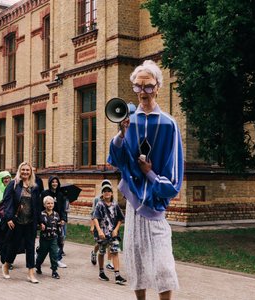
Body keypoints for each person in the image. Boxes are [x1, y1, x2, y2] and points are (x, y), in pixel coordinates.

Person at [108, 60, 183, 299]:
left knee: (163, 265)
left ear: (158, 87)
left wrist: (149, 173)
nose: (143, 92)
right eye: (138, 87)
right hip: (132, 204)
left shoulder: (169, 124)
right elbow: (116, 159)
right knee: (136, 261)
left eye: (148, 86)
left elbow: (173, 182)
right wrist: (121, 134)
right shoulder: (129, 122)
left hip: (155, 206)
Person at [0, 162, 41, 283]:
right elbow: (7, 202)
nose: (25, 172)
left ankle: (31, 273)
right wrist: (9, 218)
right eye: (23, 170)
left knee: (30, 247)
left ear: (31, 172)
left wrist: (40, 221)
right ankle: (6, 265)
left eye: (27, 170)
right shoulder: (14, 184)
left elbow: (37, 206)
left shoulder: (34, 186)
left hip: (30, 222)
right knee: (14, 246)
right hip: (16, 221)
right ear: (19, 171)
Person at [92, 184, 126, 285]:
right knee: (101, 252)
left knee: (115, 252)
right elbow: (95, 218)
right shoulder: (100, 205)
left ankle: (117, 275)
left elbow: (121, 218)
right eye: (104, 191)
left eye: (109, 191)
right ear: (102, 194)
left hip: (113, 234)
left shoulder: (115, 205)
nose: (107, 192)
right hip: (103, 233)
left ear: (111, 193)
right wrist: (99, 231)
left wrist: (116, 229)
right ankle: (101, 272)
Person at [40, 175, 67, 268]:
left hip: (58, 221)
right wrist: (41, 221)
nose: (54, 183)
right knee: (45, 240)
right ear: (50, 183)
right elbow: (40, 207)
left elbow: (63, 209)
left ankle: (58, 259)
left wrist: (63, 219)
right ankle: (39, 252)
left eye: (56, 182)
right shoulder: (45, 193)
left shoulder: (61, 194)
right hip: (47, 219)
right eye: (52, 182)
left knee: (61, 239)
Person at [90, 179, 115, 269]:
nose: (107, 191)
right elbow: (93, 213)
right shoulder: (97, 199)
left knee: (110, 244)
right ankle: (94, 252)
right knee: (99, 244)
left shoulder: (113, 200)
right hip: (100, 226)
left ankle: (109, 262)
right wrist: (92, 226)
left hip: (110, 227)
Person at [35, 196, 61, 279]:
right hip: (44, 238)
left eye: (52, 203)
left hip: (53, 238)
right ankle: (38, 265)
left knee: (54, 254)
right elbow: (37, 225)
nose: (50, 205)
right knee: (42, 255)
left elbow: (58, 226)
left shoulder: (56, 214)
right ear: (44, 204)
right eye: (48, 203)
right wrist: (40, 226)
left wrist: (60, 237)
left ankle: (54, 271)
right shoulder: (41, 214)